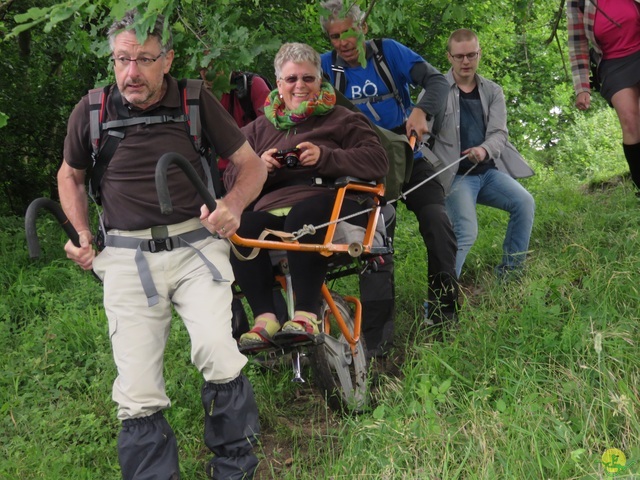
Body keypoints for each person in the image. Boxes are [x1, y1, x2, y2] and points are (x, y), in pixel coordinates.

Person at [57, 10, 266, 480]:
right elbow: (70, 176)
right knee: (137, 387)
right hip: (127, 258)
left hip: (196, 248)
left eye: (145, 59)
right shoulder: (92, 111)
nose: (131, 73)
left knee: (218, 349)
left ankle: (235, 469)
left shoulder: (194, 100)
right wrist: (82, 232)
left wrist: (231, 203)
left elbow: (251, 166)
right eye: (122, 60)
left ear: (167, 59)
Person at [203, 42, 388, 348]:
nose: (300, 86)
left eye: (308, 78)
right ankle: (265, 318)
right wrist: (260, 168)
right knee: (242, 226)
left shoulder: (343, 119)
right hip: (271, 208)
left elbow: (377, 161)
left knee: (304, 215)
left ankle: (306, 314)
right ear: (278, 84)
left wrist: (327, 157)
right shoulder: (256, 130)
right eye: (291, 79)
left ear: (320, 81)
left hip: (327, 201)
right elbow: (230, 178)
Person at [319, 0, 459, 348]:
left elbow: (437, 81)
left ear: (363, 27)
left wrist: (421, 111)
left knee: (437, 222)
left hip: (406, 153)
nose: (343, 43)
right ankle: (378, 345)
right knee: (375, 247)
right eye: (334, 36)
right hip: (362, 166)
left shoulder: (388, 53)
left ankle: (444, 316)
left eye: (348, 32)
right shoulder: (322, 68)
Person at [431, 29, 535, 279]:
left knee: (524, 203)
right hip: (454, 177)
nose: (465, 61)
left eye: (471, 55)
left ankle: (510, 277)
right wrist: (436, 170)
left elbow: (499, 134)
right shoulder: (436, 91)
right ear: (449, 57)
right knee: (466, 231)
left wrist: (484, 150)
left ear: (479, 54)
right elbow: (419, 138)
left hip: (487, 173)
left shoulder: (492, 91)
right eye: (459, 56)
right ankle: (440, 303)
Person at [567, 0, 640, 195]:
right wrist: (582, 87)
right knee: (630, 121)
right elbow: (577, 43)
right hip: (613, 63)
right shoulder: (578, 2)